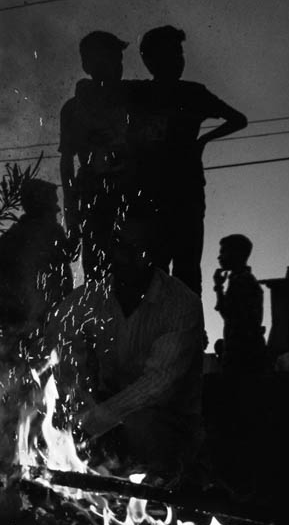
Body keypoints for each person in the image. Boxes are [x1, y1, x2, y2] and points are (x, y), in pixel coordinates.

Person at [47, 204, 204, 477]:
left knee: (141, 424)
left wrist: (94, 419)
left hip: (166, 418)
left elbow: (158, 384)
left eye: (141, 249)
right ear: (112, 250)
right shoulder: (90, 300)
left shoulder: (181, 304)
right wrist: (79, 398)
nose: (131, 258)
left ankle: (154, 495)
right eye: (123, 247)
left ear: (155, 253)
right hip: (103, 409)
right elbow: (61, 340)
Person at [127, 25, 247, 296]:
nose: (179, 59)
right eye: (171, 53)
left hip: (185, 195)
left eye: (180, 53)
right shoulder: (138, 93)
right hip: (152, 197)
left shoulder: (193, 93)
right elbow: (97, 90)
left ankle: (186, 334)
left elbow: (238, 119)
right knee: (159, 272)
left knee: (184, 272)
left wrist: (203, 140)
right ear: (149, 59)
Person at [58, 31, 132, 283]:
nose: (117, 67)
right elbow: (66, 166)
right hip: (95, 198)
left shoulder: (132, 99)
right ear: (88, 65)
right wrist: (72, 219)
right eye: (110, 59)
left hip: (130, 198)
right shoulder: (73, 109)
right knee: (98, 278)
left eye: (118, 60)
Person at [0, 178, 73, 345]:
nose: (57, 209)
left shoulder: (8, 241)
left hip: (19, 329)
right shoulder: (50, 236)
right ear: (41, 206)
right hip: (47, 326)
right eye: (53, 203)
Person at [213, 234, 267, 374]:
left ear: (236, 254)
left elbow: (228, 313)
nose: (219, 257)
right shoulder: (241, 280)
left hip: (243, 356)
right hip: (246, 353)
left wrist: (218, 287)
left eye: (223, 252)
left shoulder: (242, 282)